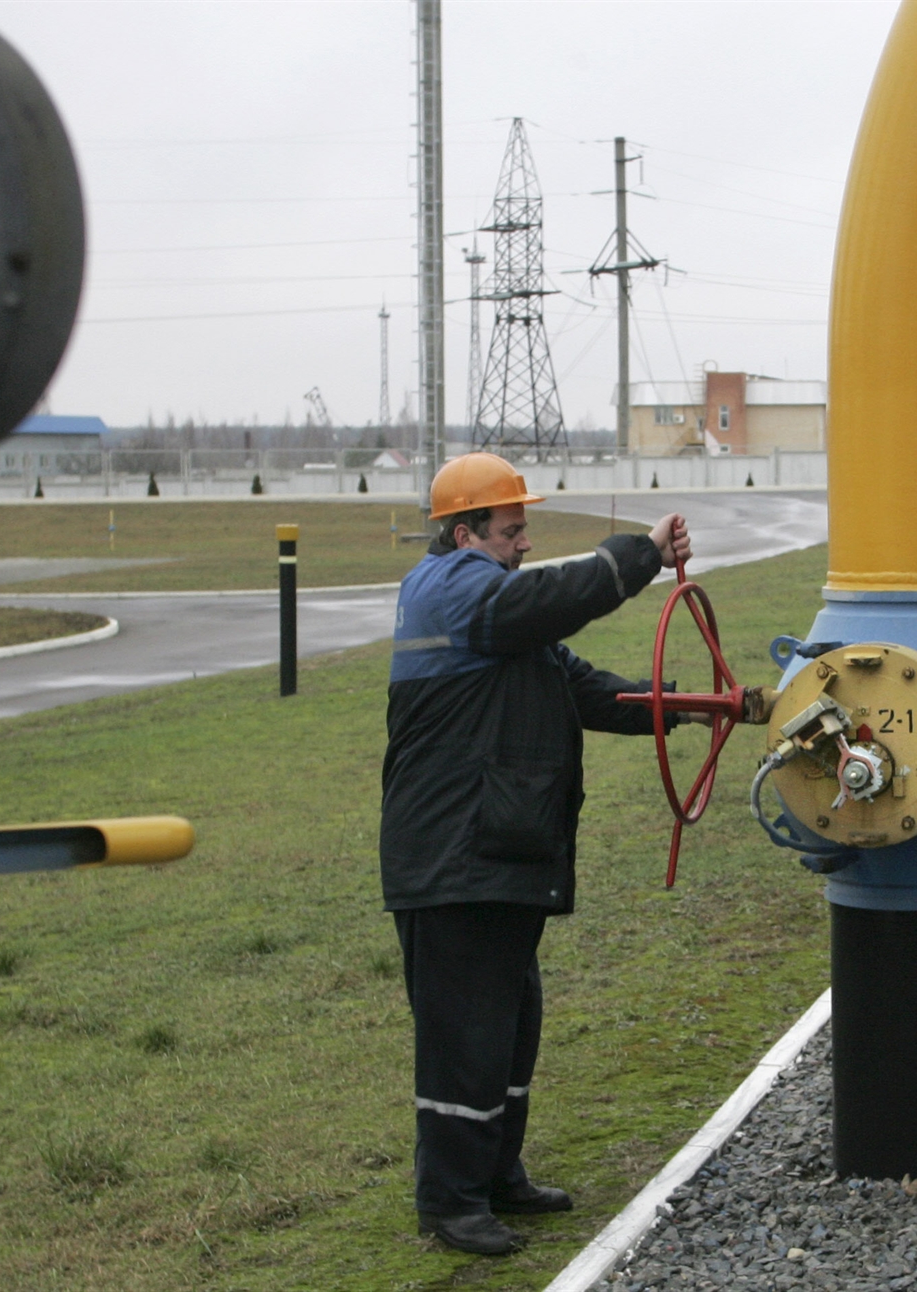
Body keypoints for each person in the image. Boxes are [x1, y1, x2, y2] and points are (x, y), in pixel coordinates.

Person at [380, 452, 694, 1256]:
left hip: (498, 851)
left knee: (510, 1027)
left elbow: (588, 690)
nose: (525, 544)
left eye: (526, 530)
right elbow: (549, 598)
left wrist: (692, 705)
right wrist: (641, 554)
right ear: (463, 533)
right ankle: (450, 1204)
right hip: (454, 860)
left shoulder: (503, 619)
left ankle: (496, 1176)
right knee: (465, 1037)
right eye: (512, 530)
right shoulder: (450, 592)